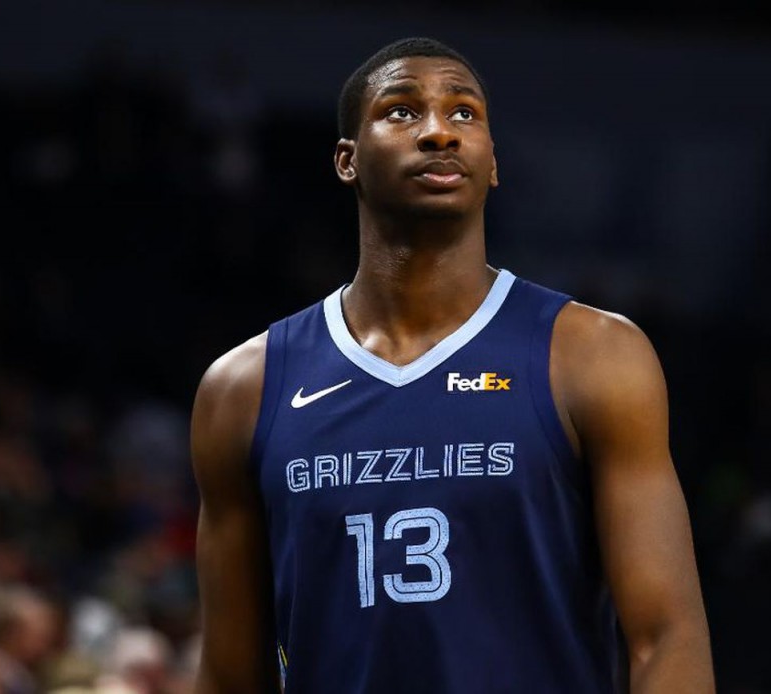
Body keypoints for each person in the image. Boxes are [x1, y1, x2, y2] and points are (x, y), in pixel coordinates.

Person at [189, 36, 715, 693]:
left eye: (464, 113)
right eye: (403, 112)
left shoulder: (592, 355)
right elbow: (230, 675)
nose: (439, 131)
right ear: (346, 160)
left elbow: (667, 637)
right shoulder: (244, 387)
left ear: (493, 162)